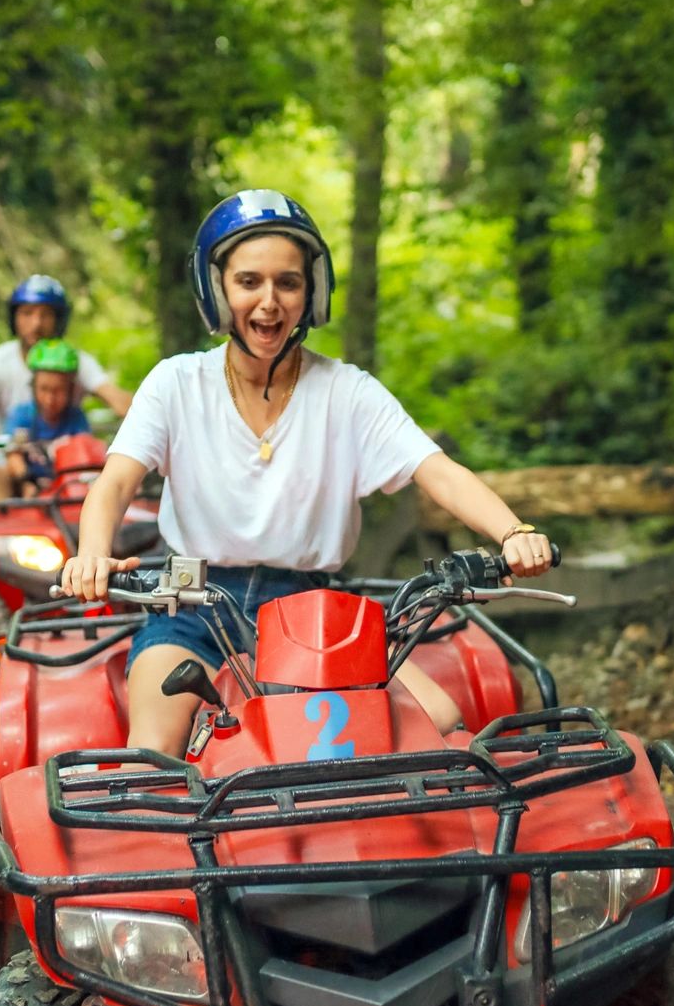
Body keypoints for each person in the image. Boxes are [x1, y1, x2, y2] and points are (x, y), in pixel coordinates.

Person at [60, 190, 556, 754]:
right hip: (193, 603)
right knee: (155, 745)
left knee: (438, 720)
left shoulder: (347, 392)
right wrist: (91, 553)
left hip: (315, 612)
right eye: (249, 282)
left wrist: (515, 532)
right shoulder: (176, 383)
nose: (269, 302)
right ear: (217, 289)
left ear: (311, 292)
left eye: (287, 283)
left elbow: (436, 470)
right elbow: (115, 481)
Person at [0, 276, 131, 446]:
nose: (36, 323)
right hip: (4, 460)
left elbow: (116, 398)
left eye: (46, 315)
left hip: (64, 463)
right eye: (27, 313)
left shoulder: (75, 361)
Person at [0, 339, 93, 506]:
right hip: (24, 483)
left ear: (71, 389)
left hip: (63, 490)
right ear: (33, 387)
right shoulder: (22, 415)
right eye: (44, 389)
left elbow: (85, 458)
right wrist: (28, 482)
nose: (50, 399)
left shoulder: (76, 418)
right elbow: (14, 458)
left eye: (58, 390)